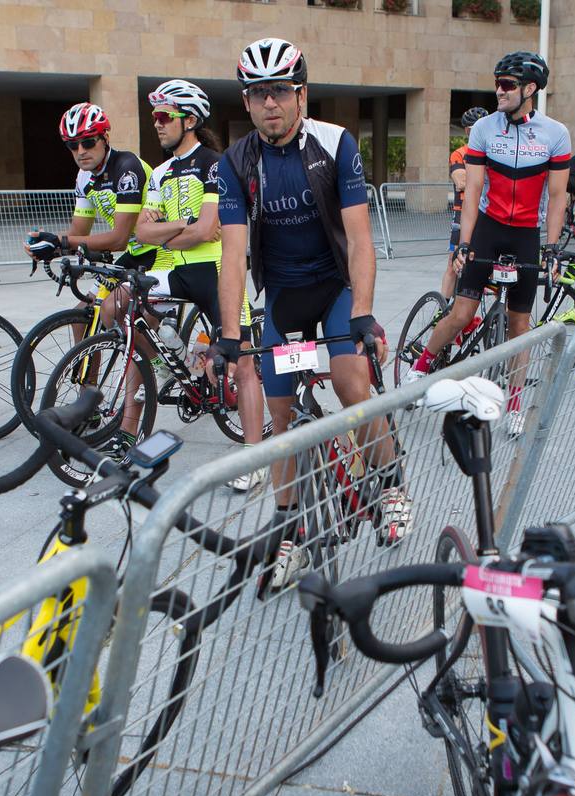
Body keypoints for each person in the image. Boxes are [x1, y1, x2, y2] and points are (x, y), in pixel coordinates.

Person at [213, 36, 410, 578]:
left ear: (301, 94)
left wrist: (363, 313)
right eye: (258, 94)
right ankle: (289, 529)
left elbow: (361, 238)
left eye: (280, 91)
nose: (269, 103)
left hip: (335, 286)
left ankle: (391, 484)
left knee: (351, 384)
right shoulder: (236, 162)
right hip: (283, 297)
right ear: (247, 102)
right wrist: (228, 335)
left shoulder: (336, 143)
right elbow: (232, 254)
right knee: (281, 416)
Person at [410, 50, 571, 435]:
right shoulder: (485, 129)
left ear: (530, 89)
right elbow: (475, 189)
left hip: (525, 234)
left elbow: (559, 196)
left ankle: (514, 403)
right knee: (462, 313)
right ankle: (418, 373)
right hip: (489, 227)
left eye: (507, 85)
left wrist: (550, 248)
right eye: (496, 83)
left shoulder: (555, 133)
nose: (498, 91)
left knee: (519, 325)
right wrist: (465, 244)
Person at [123, 79, 267, 491]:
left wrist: (171, 231)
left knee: (241, 363)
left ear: (189, 120)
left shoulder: (216, 164)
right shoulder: (163, 170)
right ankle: (180, 367)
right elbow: (140, 232)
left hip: (220, 272)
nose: (157, 124)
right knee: (126, 306)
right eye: (154, 117)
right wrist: (184, 229)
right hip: (180, 269)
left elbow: (209, 230)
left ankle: (254, 455)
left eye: (164, 116)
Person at [24, 103, 156, 270]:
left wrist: (60, 241)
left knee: (112, 297)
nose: (80, 151)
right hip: (135, 254)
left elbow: (119, 240)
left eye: (88, 143)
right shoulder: (83, 177)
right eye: (72, 145)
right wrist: (47, 244)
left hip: (162, 252)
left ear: (105, 139)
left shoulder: (127, 167)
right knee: (91, 297)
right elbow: (78, 234)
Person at [442, 106, 490, 300]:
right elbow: (461, 182)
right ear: (468, 131)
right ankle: (442, 310)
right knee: (453, 264)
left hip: (486, 213)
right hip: (462, 214)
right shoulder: (460, 153)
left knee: (491, 266)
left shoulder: (493, 153)